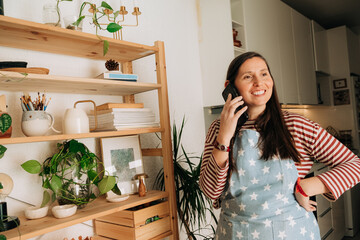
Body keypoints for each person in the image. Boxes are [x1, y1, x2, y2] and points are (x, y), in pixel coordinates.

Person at [199, 51, 360, 240]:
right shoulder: (217, 129)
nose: (259, 83)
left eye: (264, 74)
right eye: (248, 76)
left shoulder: (295, 125)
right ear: (230, 87)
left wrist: (306, 187)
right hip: (235, 234)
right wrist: (224, 137)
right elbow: (210, 190)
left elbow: (354, 165)